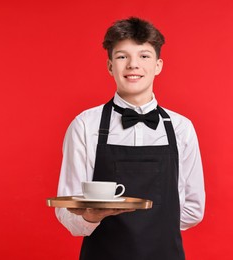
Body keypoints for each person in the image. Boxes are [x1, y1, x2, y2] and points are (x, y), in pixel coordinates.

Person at [55, 17, 205, 260]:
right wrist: (90, 217)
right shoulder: (84, 125)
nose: (133, 65)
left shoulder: (181, 128)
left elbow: (193, 210)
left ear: (158, 65)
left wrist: (155, 232)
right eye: (122, 56)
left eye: (144, 56)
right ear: (109, 66)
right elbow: (67, 212)